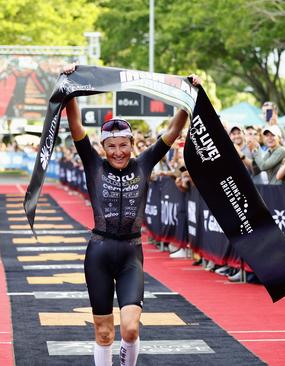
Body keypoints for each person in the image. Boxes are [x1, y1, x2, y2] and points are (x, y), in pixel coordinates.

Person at [63, 64, 200, 366]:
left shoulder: (144, 163)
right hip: (98, 252)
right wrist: (70, 85)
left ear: (132, 144)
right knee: (103, 332)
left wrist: (188, 97)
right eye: (111, 146)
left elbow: (174, 131)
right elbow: (75, 123)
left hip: (130, 255)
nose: (118, 152)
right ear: (103, 147)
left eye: (123, 145)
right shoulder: (93, 164)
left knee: (130, 328)